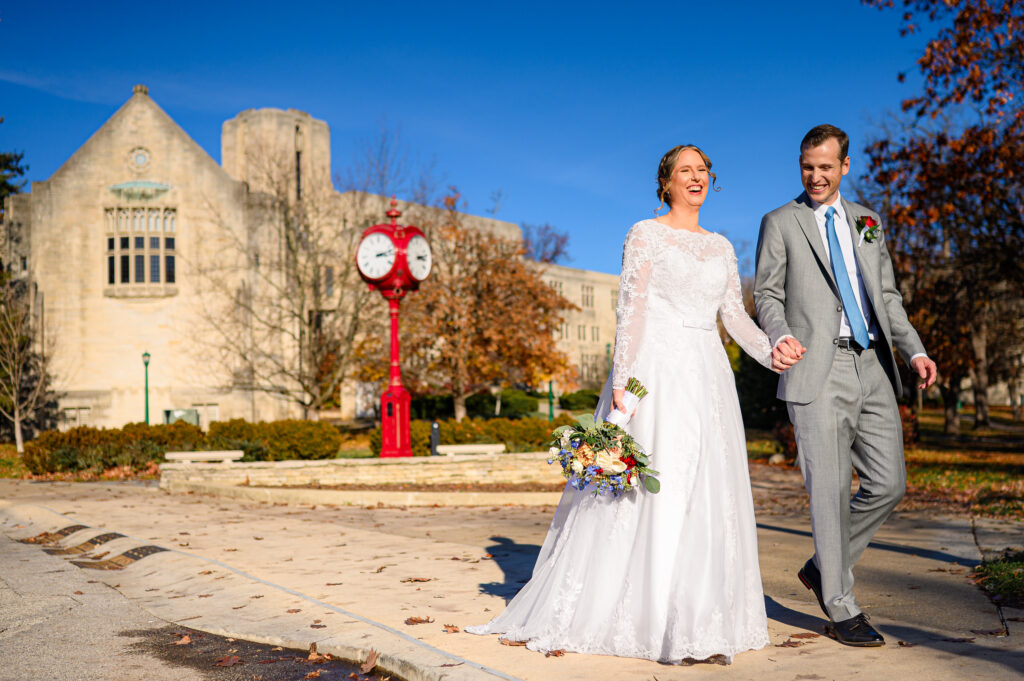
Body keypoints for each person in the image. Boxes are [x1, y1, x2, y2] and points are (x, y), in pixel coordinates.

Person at [467, 145, 797, 663]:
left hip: (708, 377)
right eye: (684, 171)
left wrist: (771, 350)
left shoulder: (721, 248)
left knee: (704, 492)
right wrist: (622, 380)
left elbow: (733, 316)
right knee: (652, 492)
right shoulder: (645, 234)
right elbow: (633, 310)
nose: (696, 178)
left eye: (703, 171)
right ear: (664, 183)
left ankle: (699, 622)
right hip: (656, 376)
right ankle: (649, 619)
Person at [753, 124, 938, 647]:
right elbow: (766, 293)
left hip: (873, 363)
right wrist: (781, 334)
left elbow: (887, 294)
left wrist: (915, 348)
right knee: (830, 494)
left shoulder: (869, 222)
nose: (815, 176)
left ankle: (821, 568)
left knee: (889, 483)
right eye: (807, 167)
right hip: (816, 365)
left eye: (826, 167)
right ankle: (840, 603)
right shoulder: (780, 221)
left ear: (845, 166)